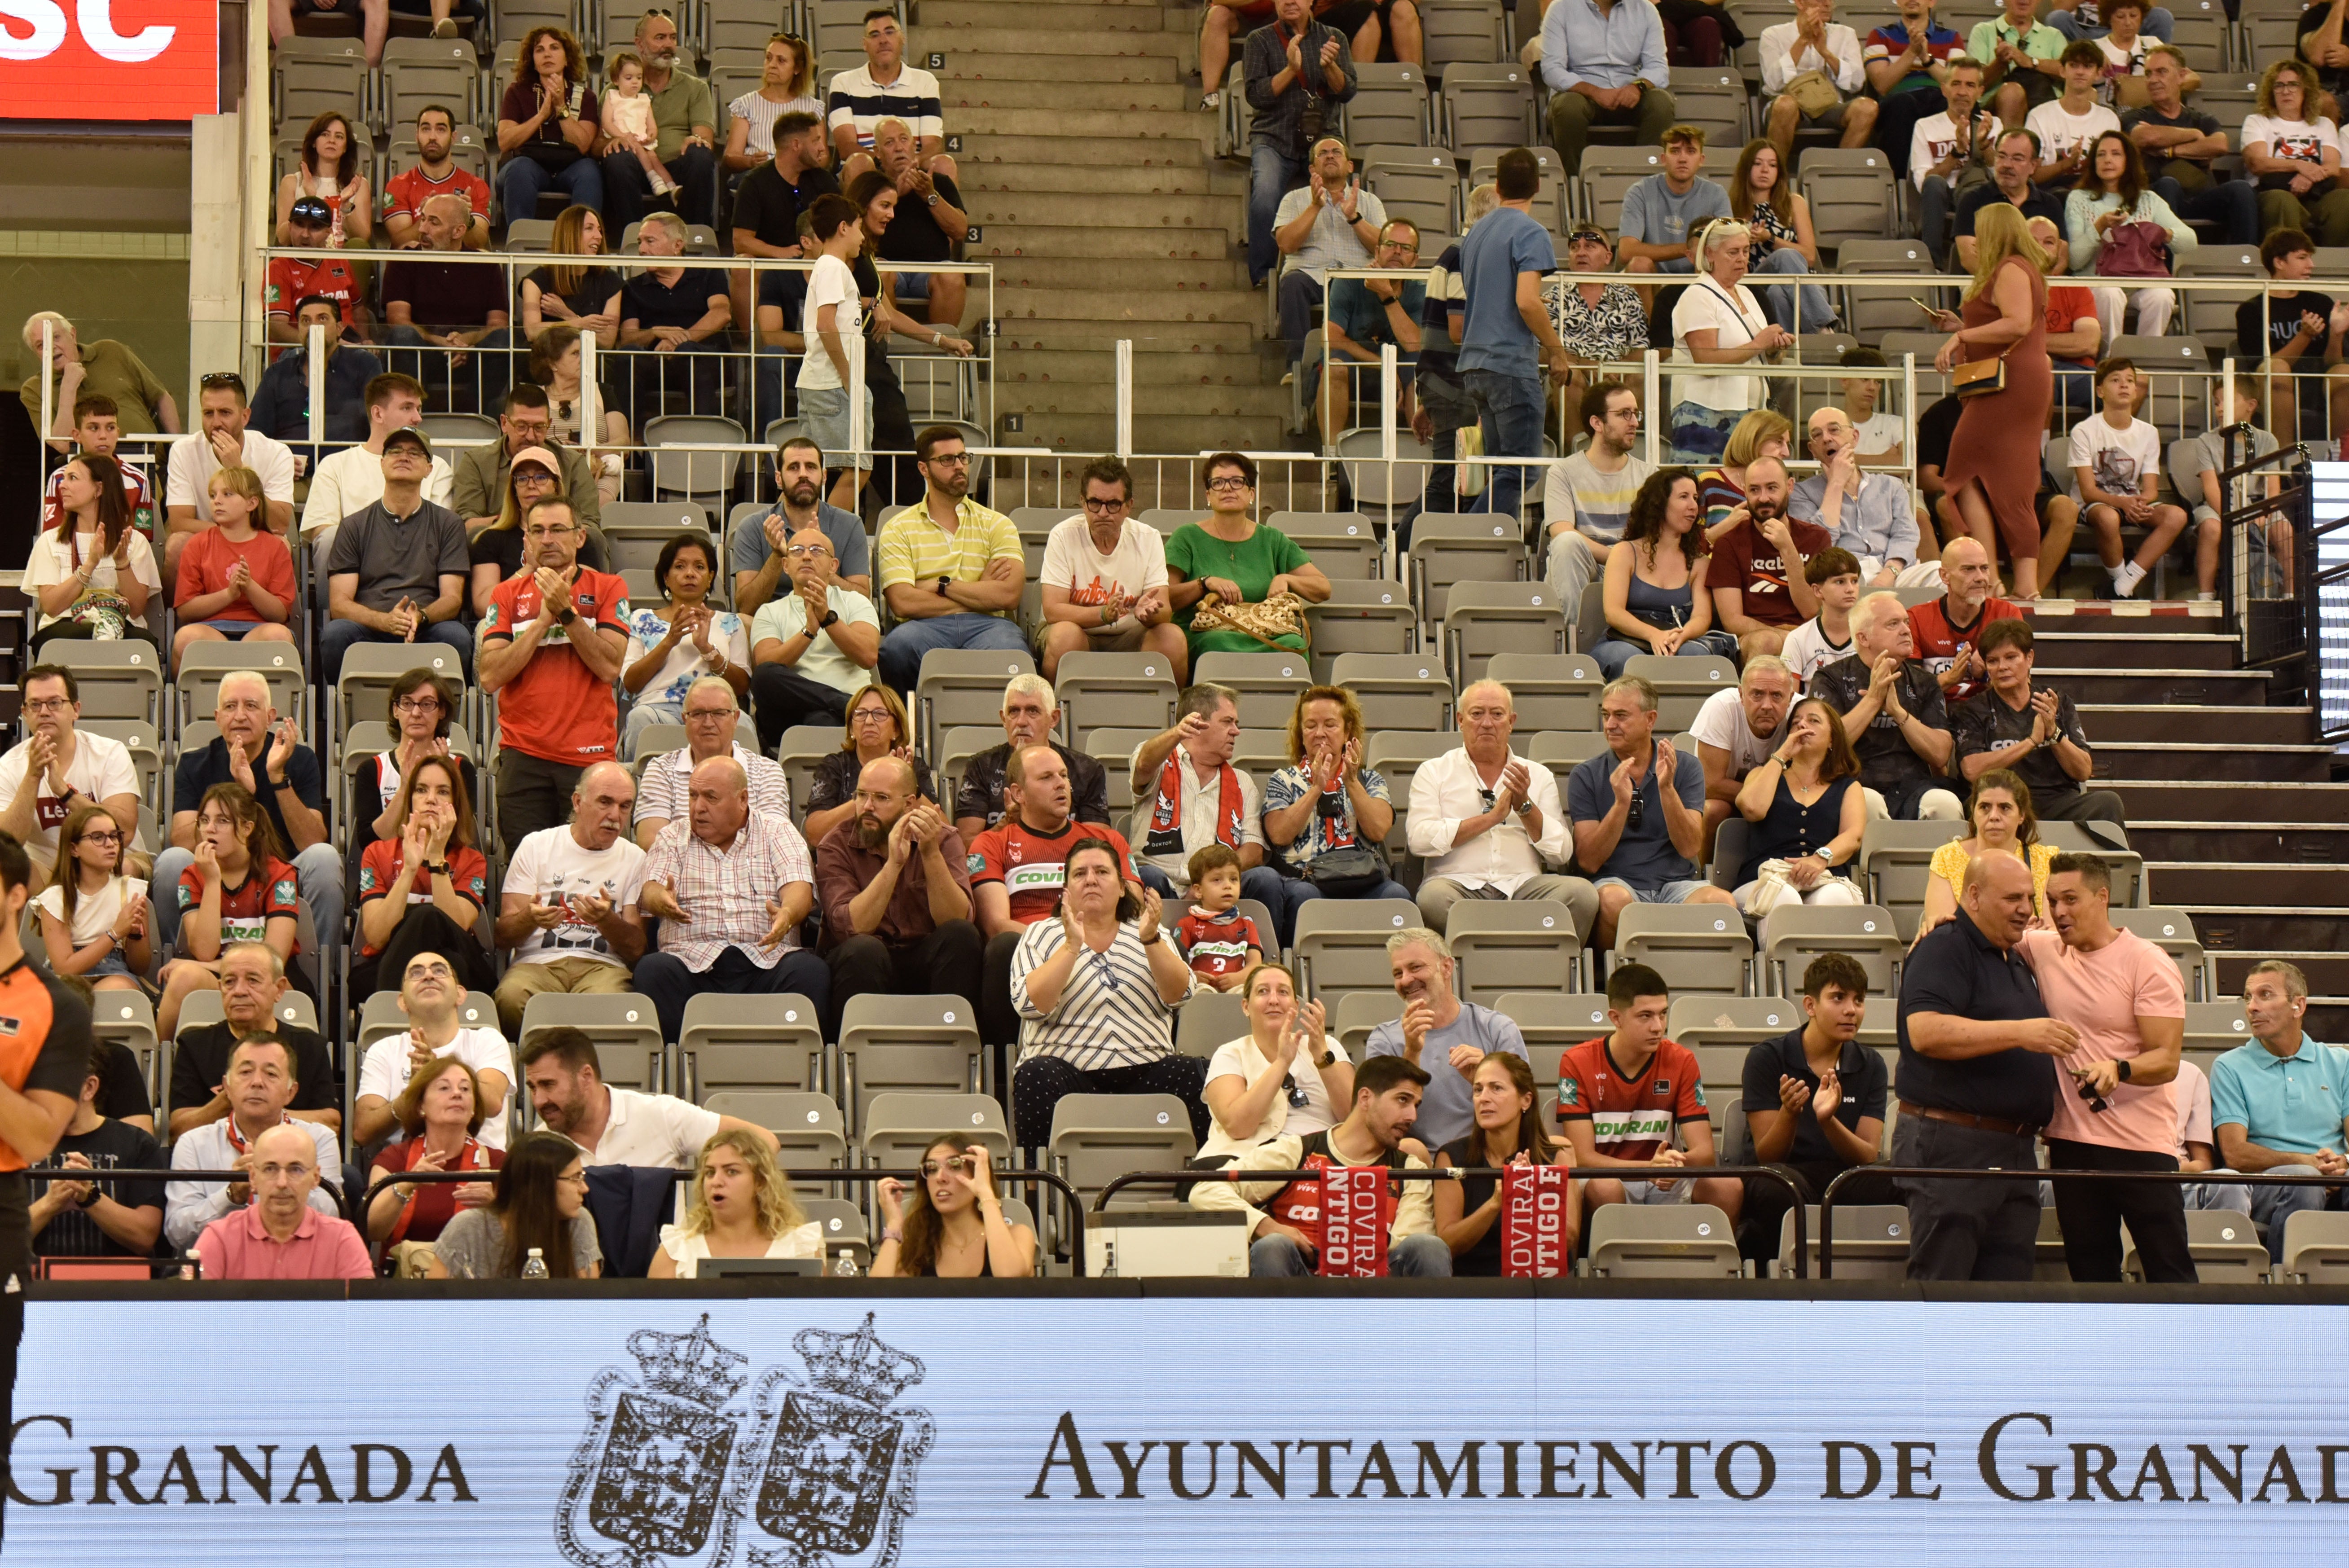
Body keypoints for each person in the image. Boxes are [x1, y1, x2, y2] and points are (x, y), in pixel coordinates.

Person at [1894, 851, 2081, 1279]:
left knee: (2006, 1297)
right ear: (1973, 896)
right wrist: (2020, 1032)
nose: (2025, 909)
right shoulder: (1946, 945)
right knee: (1943, 1286)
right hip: (1954, 1144)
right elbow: (1925, 1031)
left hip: (2014, 1149)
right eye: (2012, 898)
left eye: (2030, 898)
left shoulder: (2013, 956)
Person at [2019, 851, 2191, 1282]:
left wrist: (2120, 1068)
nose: (2059, 912)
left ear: (2102, 897)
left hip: (2142, 1146)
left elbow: (2167, 1059)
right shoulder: (2044, 948)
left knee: (2168, 1269)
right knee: (2090, 1273)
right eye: (2052, 901)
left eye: (2071, 900)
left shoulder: (2147, 962)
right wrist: (1939, 922)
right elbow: (1982, 930)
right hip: (2071, 1142)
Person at [1007, 835, 1206, 1146]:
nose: (1090, 880)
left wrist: (1151, 940)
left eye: (1102, 872)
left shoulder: (1151, 930)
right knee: (1035, 1074)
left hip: (1147, 1072)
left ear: (1123, 886)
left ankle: (1198, 1187)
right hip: (1070, 1074)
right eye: (1079, 874)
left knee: (1201, 1073)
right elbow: (1030, 1005)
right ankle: (1039, 1192)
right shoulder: (1040, 934)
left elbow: (1180, 996)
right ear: (1066, 890)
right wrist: (1072, 946)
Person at [1194, 1053, 1452, 1277]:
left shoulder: (1410, 1169)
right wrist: (1267, 1226)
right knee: (1272, 1246)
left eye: (1416, 1105)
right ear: (1365, 1098)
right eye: (1403, 1100)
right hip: (1304, 1278)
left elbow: (1409, 1241)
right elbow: (1205, 1190)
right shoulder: (1299, 1151)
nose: (1412, 1116)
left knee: (1430, 1247)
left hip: (1379, 1285)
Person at [635, 755, 827, 1041]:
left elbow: (798, 889)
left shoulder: (777, 832)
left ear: (743, 799)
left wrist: (787, 914)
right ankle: (682, 1071)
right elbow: (651, 888)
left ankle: (788, 1073)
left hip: (768, 962)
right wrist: (659, 899)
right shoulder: (673, 836)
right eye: (693, 796)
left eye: (711, 798)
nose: (698, 807)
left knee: (810, 972)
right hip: (691, 964)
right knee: (653, 971)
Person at [154, 672, 339, 966]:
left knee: (325, 858)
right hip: (218, 869)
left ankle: (320, 972)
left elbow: (313, 840)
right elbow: (181, 839)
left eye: (251, 706)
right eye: (230, 707)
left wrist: (278, 779)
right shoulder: (194, 763)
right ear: (217, 717)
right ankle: (170, 965)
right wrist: (240, 791)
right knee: (171, 860)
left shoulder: (299, 758)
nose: (240, 715)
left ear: (270, 716)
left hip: (283, 869)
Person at [479, 497, 632, 850]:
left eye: (558, 529)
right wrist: (541, 623)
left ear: (580, 538)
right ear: (526, 541)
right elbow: (489, 676)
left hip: (588, 758)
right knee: (526, 870)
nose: (547, 539)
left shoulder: (609, 588)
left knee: (590, 871)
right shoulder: (505, 594)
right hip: (523, 756)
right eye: (538, 531)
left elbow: (609, 667)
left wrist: (566, 613)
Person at [972, 745, 1137, 1047]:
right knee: (1001, 947)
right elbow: (997, 924)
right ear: (1018, 793)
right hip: (1030, 950)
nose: (1061, 783)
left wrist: (1085, 942)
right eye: (1047, 777)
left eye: (1063, 775)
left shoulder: (1106, 841)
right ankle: (1003, 1067)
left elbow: (1133, 909)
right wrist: (1065, 942)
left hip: (1104, 944)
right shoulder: (991, 844)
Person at [1733, 952, 1894, 1258]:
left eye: (1859, 1000)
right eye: (1838, 998)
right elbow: (1767, 1156)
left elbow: (1867, 1155)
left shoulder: (1871, 1064)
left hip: (1846, 1177)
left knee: (1901, 1178)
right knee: (1777, 1186)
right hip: (1788, 1173)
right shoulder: (1767, 1058)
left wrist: (1828, 1121)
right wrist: (1790, 1113)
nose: (1851, 1011)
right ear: (1810, 1005)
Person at [1408, 680, 1597, 933]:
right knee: (1432, 899)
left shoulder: (1538, 775)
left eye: (1497, 714)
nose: (1487, 723)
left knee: (1583, 895)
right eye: (1477, 714)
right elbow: (1419, 840)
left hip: (1524, 887)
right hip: (1457, 886)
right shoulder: (1434, 772)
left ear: (1511, 722)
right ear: (1461, 720)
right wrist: (1491, 819)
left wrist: (1525, 807)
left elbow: (1561, 852)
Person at [1935, 205, 2054, 601]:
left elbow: (2018, 323)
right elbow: (2007, 323)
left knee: (1965, 471)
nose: (1974, 239)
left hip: (2012, 383)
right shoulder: (2018, 268)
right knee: (1994, 478)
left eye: (1979, 231)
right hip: (2019, 379)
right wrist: (1961, 326)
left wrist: (1962, 339)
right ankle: (2013, 582)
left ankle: (2001, 577)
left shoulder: (2010, 269)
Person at [1558, 961, 1739, 1221]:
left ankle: (1716, 1261)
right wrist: (1648, 1168)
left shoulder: (1681, 1060)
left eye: (1663, 1014)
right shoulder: (1577, 1061)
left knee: (1728, 1186)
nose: (1658, 1027)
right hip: (1610, 1179)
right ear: (1616, 1018)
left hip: (1665, 1177)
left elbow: (1705, 1154)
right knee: (1604, 1188)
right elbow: (1583, 1158)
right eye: (1646, 1016)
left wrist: (1671, 1165)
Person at [1569, 675, 1739, 942]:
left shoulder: (1686, 767)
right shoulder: (1586, 775)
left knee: (1723, 904)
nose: (1610, 725)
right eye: (1606, 715)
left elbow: (1691, 848)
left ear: (1650, 720)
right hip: (1617, 882)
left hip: (1675, 885)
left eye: (1621, 716)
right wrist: (1621, 805)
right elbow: (1589, 861)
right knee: (1613, 901)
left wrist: (1667, 789)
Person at [1457, 148, 1576, 521]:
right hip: (1509, 364)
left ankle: (1482, 537)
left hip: (1475, 363)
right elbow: (1527, 302)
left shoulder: (1476, 233)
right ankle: (1471, 535)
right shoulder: (1531, 232)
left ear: (1497, 185)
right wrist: (1556, 350)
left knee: (1501, 468)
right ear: (1539, 186)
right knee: (1521, 468)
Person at [817, 754, 980, 1012]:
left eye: (881, 798)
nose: (868, 806)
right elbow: (852, 927)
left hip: (923, 957)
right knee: (864, 949)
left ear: (910, 804)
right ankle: (861, 1047)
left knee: (961, 935)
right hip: (863, 962)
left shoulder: (944, 839)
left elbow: (957, 918)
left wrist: (930, 853)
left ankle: (951, 1040)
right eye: (861, 795)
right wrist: (894, 864)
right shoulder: (835, 845)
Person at [493, 763, 648, 1032]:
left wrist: (607, 921)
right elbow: (504, 937)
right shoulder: (536, 846)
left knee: (609, 1004)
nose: (615, 816)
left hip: (602, 968)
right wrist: (530, 918)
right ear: (578, 802)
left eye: (625, 806)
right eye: (605, 802)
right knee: (510, 998)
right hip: (537, 964)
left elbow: (636, 949)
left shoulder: (635, 858)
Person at [2213, 960, 2349, 1260]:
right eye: (2248, 997)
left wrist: (2342, 1163)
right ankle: (2286, 1288)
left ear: (2298, 1006)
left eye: (2265, 995)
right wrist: (2307, 1163)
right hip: (2268, 1184)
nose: (2252, 1007)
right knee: (2304, 1182)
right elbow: (2235, 1153)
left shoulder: (2341, 1062)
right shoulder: (2229, 1066)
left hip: (2333, 1176)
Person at [873, 426, 1028, 689]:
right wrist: (980, 594)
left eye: (963, 457)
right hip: (922, 627)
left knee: (1014, 654)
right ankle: (910, 729)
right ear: (924, 469)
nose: (959, 466)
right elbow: (902, 602)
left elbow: (1009, 595)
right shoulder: (898, 528)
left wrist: (942, 586)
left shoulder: (997, 524)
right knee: (896, 651)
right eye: (947, 460)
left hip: (989, 626)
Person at [319, 428, 474, 681]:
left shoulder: (448, 524)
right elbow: (340, 604)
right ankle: (346, 714)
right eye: (395, 451)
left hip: (426, 625)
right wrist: (384, 621)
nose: (404, 457)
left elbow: (453, 598)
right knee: (336, 635)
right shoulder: (354, 525)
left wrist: (420, 617)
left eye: (415, 453)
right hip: (370, 626)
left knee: (456, 638)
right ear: (382, 464)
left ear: (429, 469)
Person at [1260, 685, 1411, 938]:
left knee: (1398, 897)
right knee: (1304, 898)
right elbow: (1279, 835)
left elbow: (1378, 829)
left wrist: (1350, 782)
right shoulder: (1283, 779)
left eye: (1330, 724)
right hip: (1307, 881)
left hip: (1364, 879)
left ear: (1347, 730)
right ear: (1301, 732)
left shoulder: (1369, 779)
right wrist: (1316, 789)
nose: (1320, 733)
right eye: (1310, 726)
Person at [164, 1036, 342, 1252]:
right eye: (246, 1072)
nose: (257, 1082)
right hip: (218, 1269)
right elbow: (177, 1233)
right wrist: (231, 1196)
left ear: (291, 1092)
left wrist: (282, 1183)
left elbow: (332, 1216)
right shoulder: (193, 1143)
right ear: (227, 1087)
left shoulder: (319, 1139)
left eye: (271, 1074)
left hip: (298, 1263)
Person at [1364, 927, 1532, 1149]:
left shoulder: (1497, 1028)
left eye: (1415, 968)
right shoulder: (1384, 1039)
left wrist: (1486, 1074)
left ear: (1446, 967)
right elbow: (1377, 1121)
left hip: (1484, 1157)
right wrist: (1411, 1053)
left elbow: (1526, 1105)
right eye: (1398, 973)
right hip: (1414, 1161)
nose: (1406, 980)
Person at [155, 785, 301, 1038]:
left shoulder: (280, 874)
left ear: (247, 828)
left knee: (188, 972)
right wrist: (212, 881)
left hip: (270, 981)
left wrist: (204, 965)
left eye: (223, 821)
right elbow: (204, 950)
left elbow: (273, 960)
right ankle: (161, 1066)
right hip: (221, 979)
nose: (210, 829)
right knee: (184, 979)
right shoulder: (193, 876)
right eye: (204, 820)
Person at [1808, 591, 1963, 821]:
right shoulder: (1830, 678)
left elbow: (1940, 755)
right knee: (1867, 803)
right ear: (1863, 638)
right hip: (1853, 782)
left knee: (1946, 804)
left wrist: (1899, 713)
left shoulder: (1925, 682)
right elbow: (1824, 744)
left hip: (1914, 787)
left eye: (1906, 622)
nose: (1906, 630)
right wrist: (1873, 701)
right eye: (1893, 624)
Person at [1953, 618, 2126, 824]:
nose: (2002, 667)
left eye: (2011, 657)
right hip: (2000, 802)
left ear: (2030, 659)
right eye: (1993, 661)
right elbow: (1972, 771)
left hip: (2056, 801)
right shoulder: (1973, 709)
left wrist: (2054, 734)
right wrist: (2031, 742)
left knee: (2108, 802)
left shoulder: (2057, 702)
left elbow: (2083, 771)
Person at [523, 1027, 776, 1166]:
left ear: (586, 1077)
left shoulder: (661, 1115)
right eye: (533, 1088)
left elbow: (765, 1142)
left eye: (548, 1085)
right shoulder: (538, 1148)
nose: (539, 1101)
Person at [1163, 452, 1330, 661]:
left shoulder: (1272, 540)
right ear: (1208, 495)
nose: (1227, 488)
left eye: (1236, 481)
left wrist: (1286, 579)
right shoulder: (1187, 537)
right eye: (1218, 482)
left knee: (1294, 644)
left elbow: (1323, 589)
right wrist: (1204, 583)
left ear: (1252, 493)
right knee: (1218, 644)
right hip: (1208, 633)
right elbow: (1165, 596)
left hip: (1264, 632)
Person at [350, 759, 494, 1000]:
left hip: (458, 970)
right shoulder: (377, 853)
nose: (431, 799)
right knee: (449, 956)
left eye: (443, 792)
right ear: (410, 801)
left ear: (455, 805)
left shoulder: (473, 860)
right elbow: (376, 936)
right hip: (395, 963)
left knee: (429, 918)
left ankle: (391, 1010)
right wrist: (409, 869)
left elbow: (456, 927)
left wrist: (437, 859)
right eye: (421, 790)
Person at [1126, 685, 1280, 909]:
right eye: (1228, 722)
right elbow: (1144, 764)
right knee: (1147, 877)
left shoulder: (1242, 782)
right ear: (1197, 723)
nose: (1236, 731)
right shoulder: (1160, 759)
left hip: (1218, 889)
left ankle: (1256, 944)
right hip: (1158, 885)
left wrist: (1211, 880)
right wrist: (1176, 734)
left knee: (1266, 879)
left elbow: (1254, 851)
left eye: (1236, 723)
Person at [166, 943, 339, 1138]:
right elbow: (178, 1130)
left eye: (253, 980)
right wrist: (230, 1098)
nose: (239, 991)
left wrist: (264, 1113)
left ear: (280, 989)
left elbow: (331, 1124)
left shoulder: (310, 1047)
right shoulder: (194, 1045)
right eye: (230, 982)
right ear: (220, 989)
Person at [1241, 0, 1359, 288]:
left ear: (1311, 2)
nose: (1290, 1)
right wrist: (1292, 69)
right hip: (1273, 136)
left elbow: (1348, 91)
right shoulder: (1259, 39)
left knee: (1343, 191)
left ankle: (1349, 271)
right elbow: (1256, 96)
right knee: (1266, 194)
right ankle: (1264, 275)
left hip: (1323, 136)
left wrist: (1330, 66)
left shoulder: (1334, 37)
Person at [1039, 456, 1183, 681]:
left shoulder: (1148, 538)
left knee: (1172, 638)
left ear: (1129, 506)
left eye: (1113, 504)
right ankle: (1053, 715)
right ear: (1082, 502)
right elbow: (1053, 610)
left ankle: (1171, 715)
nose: (1103, 513)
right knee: (1064, 636)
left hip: (1130, 632)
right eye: (1095, 503)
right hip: (1079, 631)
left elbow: (1165, 611)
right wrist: (1103, 615)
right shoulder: (1063, 535)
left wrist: (1149, 614)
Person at [1429, 1052, 1574, 1275]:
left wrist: (1534, 1198)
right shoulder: (1452, 1157)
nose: (1483, 1098)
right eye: (1478, 1090)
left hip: (1534, 1290)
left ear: (1526, 1100)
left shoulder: (1554, 1158)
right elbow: (1446, 1245)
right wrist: (1496, 1203)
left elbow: (1568, 1243)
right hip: (1471, 1290)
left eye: (1496, 1088)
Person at [0, 666, 139, 889]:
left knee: (126, 868)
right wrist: (33, 777)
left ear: (76, 709)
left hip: (114, 863)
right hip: (47, 873)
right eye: (35, 705)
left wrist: (65, 793)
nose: (44, 712)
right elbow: (7, 844)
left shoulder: (109, 753)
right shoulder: (9, 766)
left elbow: (125, 833)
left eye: (54, 703)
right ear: (24, 714)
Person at [1590, 468, 1737, 679]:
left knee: (1694, 654)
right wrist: (1653, 635)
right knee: (1628, 658)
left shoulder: (1700, 562)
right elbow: (1614, 613)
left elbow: (1702, 617)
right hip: (1627, 639)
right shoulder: (1625, 552)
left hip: (1678, 636)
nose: (1693, 506)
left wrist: (1682, 635)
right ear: (1659, 504)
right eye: (1683, 497)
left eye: (1695, 498)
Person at [1199, 961, 1350, 1163]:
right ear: (1246, 1006)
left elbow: (1354, 1117)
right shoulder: (1230, 1054)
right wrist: (1281, 1063)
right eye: (1263, 992)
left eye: (1283, 992)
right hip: (1247, 1158)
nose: (1273, 1000)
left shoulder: (1326, 1045)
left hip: (1319, 1157)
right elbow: (1237, 1126)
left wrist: (1322, 1055)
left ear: (1296, 1006)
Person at [1669, 220, 1794, 464]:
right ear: (1709, 254)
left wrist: (1774, 348)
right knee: (1704, 488)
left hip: (1750, 412)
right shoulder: (1698, 295)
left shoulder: (1746, 293)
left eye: (1746, 251)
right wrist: (1760, 343)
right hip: (1706, 412)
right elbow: (1706, 359)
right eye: (1733, 252)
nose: (1742, 258)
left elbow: (1757, 353)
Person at [747, 526, 881, 751]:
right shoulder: (770, 611)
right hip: (789, 713)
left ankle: (845, 709)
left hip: (836, 721)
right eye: (797, 550)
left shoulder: (856, 602)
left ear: (833, 566)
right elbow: (767, 663)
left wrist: (827, 620)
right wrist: (809, 631)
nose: (807, 556)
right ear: (786, 566)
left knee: (820, 721)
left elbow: (868, 656)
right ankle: (847, 706)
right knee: (764, 675)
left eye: (817, 550)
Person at [620, 534, 750, 760]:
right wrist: (670, 640)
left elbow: (741, 686)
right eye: (680, 567)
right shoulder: (641, 619)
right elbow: (631, 682)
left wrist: (707, 649)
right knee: (639, 717)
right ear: (666, 578)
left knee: (745, 722)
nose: (690, 573)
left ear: (710, 578)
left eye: (699, 567)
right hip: (658, 710)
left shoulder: (730, 623)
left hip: (716, 711)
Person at [380, 194, 513, 412]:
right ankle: (411, 414)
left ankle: (475, 415)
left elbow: (498, 323)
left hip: (471, 354)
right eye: (423, 219)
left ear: (458, 231)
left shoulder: (485, 264)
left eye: (433, 222)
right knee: (402, 337)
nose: (423, 229)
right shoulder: (404, 258)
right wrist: (440, 342)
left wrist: (467, 340)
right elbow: (398, 320)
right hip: (425, 350)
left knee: (502, 340)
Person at [160, 372, 297, 584]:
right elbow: (180, 522)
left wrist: (239, 469)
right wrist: (232, 534)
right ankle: (179, 616)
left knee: (281, 544)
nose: (216, 423)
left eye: (225, 413)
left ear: (245, 417)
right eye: (208, 413)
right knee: (177, 543)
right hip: (206, 540)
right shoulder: (184, 450)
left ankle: (273, 616)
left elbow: (280, 523)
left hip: (258, 540)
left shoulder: (276, 453)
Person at [30, 1046, 162, 1265]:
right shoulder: (15, 1144)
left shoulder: (137, 1144)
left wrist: (90, 1197)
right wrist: (50, 1204)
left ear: (89, 1088)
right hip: (34, 1287)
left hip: (116, 1288)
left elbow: (145, 1237)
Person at [2070, 357, 2189, 600]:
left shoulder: (2148, 432)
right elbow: (2088, 492)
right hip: (2097, 504)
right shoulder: (2083, 430)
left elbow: (2151, 490)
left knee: (2177, 515)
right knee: (2108, 517)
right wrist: (2124, 504)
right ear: (2100, 391)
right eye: (2116, 380)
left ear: (2136, 390)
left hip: (2132, 502)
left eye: (2130, 381)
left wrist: (2137, 503)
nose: (2124, 385)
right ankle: (2120, 583)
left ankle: (2123, 586)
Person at [191, 1122, 371, 1281]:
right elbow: (192, 1316)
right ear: (253, 1177)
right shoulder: (218, 1238)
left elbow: (364, 1315)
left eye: (296, 1170)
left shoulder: (342, 1239)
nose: (282, 1183)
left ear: (316, 1178)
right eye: (271, 1169)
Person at [364, 1055, 501, 1260]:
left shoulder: (500, 1164)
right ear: (421, 1106)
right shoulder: (394, 1159)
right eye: (444, 1088)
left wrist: (496, 1206)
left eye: (465, 1089)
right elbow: (374, 1231)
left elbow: (525, 1235)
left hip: (477, 1284)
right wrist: (407, 1185)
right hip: (408, 1284)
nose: (457, 1094)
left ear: (474, 1109)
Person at [24, 453, 160, 658]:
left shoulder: (134, 541)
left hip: (120, 621)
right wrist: (89, 565)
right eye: (63, 478)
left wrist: (122, 563)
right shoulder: (50, 541)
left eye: (73, 478)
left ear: (99, 489)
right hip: (65, 624)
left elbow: (136, 610)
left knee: (142, 642)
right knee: (75, 635)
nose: (62, 486)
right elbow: (51, 607)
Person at [346, 669, 479, 875]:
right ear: (395, 710)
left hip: (445, 870)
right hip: (389, 873)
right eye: (407, 704)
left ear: (442, 711)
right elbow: (369, 842)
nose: (416, 713)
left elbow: (462, 836)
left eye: (427, 704)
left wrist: (445, 776)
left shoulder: (461, 769)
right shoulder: (372, 769)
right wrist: (405, 788)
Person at [2064, 131, 2190, 347]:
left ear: (2128, 161)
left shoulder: (2148, 200)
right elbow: (2075, 261)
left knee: (2162, 296)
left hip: (2138, 283)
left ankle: (2147, 364)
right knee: (2110, 293)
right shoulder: (2079, 198)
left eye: (2116, 154)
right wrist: (2100, 226)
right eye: (2101, 155)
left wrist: (2159, 231)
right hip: (2097, 282)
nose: (2108, 160)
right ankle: (2111, 363)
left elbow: (2190, 241)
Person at [633, 679, 790, 851]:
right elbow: (652, 842)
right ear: (685, 719)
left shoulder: (768, 772)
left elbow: (776, 841)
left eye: (719, 713)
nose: (708, 723)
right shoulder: (660, 771)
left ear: (736, 718)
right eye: (698, 714)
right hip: (681, 876)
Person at [953, 675, 1110, 846]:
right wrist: (1008, 822)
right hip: (1003, 866)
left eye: (1032, 711)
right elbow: (966, 848)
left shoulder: (1087, 770)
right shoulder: (981, 767)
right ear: (1004, 719)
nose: (1021, 722)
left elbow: (1099, 847)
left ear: (1054, 719)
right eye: (1013, 711)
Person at [298, 373, 454, 545]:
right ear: (378, 414)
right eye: (407, 408)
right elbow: (322, 531)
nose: (418, 418)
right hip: (354, 560)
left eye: (418, 409)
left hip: (417, 559)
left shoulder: (435, 467)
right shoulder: (335, 465)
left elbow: (440, 531)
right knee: (329, 538)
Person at [730, 110, 841, 350]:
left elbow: (843, 229)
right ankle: (754, 347)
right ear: (796, 145)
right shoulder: (754, 183)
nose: (823, 148)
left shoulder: (824, 180)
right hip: (773, 268)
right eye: (816, 141)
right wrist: (780, 253)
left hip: (818, 264)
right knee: (742, 266)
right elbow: (741, 241)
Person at [2123, 47, 2256, 246]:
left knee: (2241, 189)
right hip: (2158, 196)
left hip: (2200, 197)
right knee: (2169, 184)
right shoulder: (2135, 116)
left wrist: (2169, 150)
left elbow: (2219, 145)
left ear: (2182, 76)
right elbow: (2145, 137)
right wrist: (2193, 136)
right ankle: (2167, 265)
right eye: (2149, 74)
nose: (2152, 80)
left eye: (2162, 72)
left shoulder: (2202, 119)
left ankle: (2246, 259)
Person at [424, 1130, 602, 1278]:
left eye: (582, 1177)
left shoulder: (578, 1221)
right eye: (575, 1178)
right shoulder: (468, 1227)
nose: (585, 1189)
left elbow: (587, 1305)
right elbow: (433, 1307)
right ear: (540, 1185)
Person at [1791, 407, 1935, 590]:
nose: (1826, 438)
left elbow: (1906, 535)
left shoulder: (1891, 487)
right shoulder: (1802, 493)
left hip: (1893, 569)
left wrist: (1890, 572)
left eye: (1834, 430)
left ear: (1855, 437)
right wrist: (1836, 483)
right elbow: (1817, 545)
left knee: (1938, 574)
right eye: (1817, 435)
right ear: (1812, 450)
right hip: (1842, 574)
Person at [466, 444, 616, 618]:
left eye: (541, 477)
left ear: (556, 486)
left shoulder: (577, 537)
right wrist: (530, 568)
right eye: (522, 479)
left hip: (567, 617)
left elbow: (591, 598)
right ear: (513, 489)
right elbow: (484, 607)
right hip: (507, 621)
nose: (531, 485)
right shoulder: (490, 539)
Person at [600, 9, 717, 228]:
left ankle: (695, 239)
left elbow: (705, 135)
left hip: (678, 166)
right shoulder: (615, 90)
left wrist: (695, 139)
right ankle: (633, 238)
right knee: (616, 157)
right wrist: (612, 142)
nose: (669, 45)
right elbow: (596, 143)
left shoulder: (695, 88)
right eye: (660, 38)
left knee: (701, 155)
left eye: (672, 38)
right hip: (634, 165)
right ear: (640, 44)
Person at [732, 435, 873, 617]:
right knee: (743, 622)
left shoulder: (850, 525)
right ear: (779, 479)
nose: (803, 474)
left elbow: (862, 599)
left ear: (823, 476)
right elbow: (746, 608)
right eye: (793, 468)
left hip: (831, 619)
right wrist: (778, 555)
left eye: (811, 467)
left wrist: (820, 561)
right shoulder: (752, 526)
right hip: (773, 623)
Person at [650, 1129, 822, 1277]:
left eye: (731, 1172)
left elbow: (819, 1314)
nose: (716, 1182)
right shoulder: (676, 1252)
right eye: (710, 1173)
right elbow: (659, 1316)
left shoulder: (801, 1248)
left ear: (760, 1182)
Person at [1543, 382, 1654, 609]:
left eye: (1636, 414)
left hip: (1634, 571)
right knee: (1566, 543)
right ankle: (1573, 640)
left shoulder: (1649, 476)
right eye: (1625, 414)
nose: (1635, 423)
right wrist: (1615, 558)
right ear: (1597, 423)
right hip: (1585, 566)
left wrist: (1624, 562)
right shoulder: (1563, 472)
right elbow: (1560, 531)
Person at [2182, 380, 2296, 602]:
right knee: (2211, 529)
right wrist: (2234, 517)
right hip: (2219, 507)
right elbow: (2211, 488)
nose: (2221, 408)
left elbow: (2273, 489)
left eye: (2228, 401)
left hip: (2258, 506)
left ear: (2251, 405)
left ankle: (2288, 596)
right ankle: (2206, 596)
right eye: (2217, 403)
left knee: (2285, 532)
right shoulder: (2206, 441)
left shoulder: (2267, 440)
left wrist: (2262, 514)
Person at [171, 466, 296, 665]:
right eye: (213, 496)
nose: (217, 501)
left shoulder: (275, 547)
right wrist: (229, 595)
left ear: (252, 503)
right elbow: (186, 610)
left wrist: (249, 586)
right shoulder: (197, 544)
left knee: (279, 637)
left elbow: (280, 614)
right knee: (186, 638)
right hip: (210, 629)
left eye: (227, 494)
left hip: (259, 629)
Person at [1313, 218, 1423, 442]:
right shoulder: (1348, 281)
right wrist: (1383, 365)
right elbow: (1331, 337)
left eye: (1406, 248)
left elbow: (1415, 344)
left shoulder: (1421, 289)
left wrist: (1387, 295)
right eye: (1390, 245)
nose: (1397, 252)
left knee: (1421, 370)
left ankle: (1421, 456)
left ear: (1415, 260)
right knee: (1335, 367)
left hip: (1402, 372)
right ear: (1377, 251)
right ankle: (1332, 457)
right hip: (1356, 368)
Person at [2239, 229, 2349, 446]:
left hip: (2318, 383)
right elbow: (2266, 366)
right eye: (2302, 258)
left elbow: (2332, 363)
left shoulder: (2321, 303)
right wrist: (2304, 336)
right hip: (2272, 387)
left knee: (2345, 373)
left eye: (2310, 257)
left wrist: (2337, 334)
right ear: (2279, 262)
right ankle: (2283, 464)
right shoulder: (2252, 310)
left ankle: (2341, 459)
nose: (2311, 265)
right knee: (2278, 370)